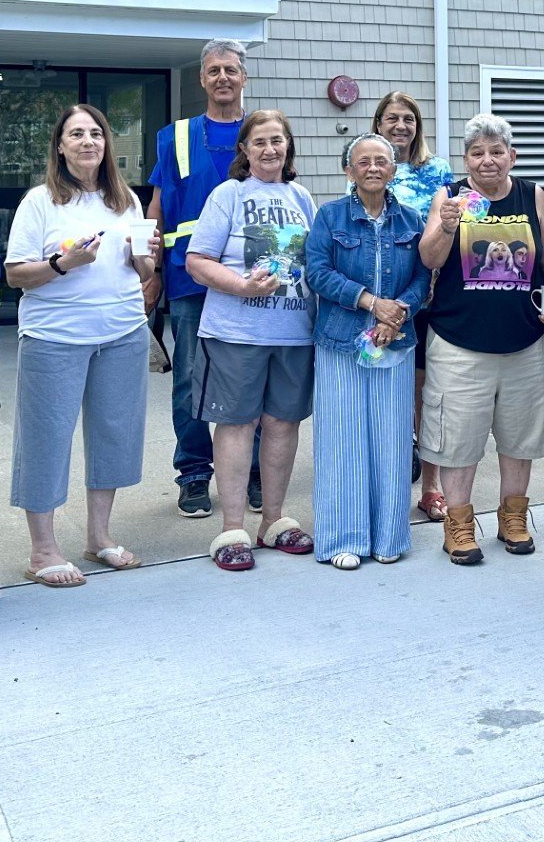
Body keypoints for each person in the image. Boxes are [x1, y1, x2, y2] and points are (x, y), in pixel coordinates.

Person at [3, 105, 159, 587]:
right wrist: (63, 263)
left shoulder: (126, 201)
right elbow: (14, 275)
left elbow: (144, 272)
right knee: (45, 440)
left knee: (114, 434)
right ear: (60, 146)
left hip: (122, 333)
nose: (88, 141)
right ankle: (43, 549)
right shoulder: (40, 202)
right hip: (55, 338)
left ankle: (99, 536)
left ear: (107, 144)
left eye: (96, 133)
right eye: (77, 134)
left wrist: (145, 260)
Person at [418, 113, 544, 564]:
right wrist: (446, 226)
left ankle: (514, 517)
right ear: (465, 159)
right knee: (458, 438)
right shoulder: (449, 196)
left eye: (496, 151)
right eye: (477, 152)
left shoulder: (532, 194)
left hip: (524, 341)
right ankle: (460, 524)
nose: (487, 160)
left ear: (512, 156)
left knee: (519, 437)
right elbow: (429, 259)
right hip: (458, 341)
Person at [186, 110, 316, 571]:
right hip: (235, 333)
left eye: (277, 140)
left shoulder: (302, 196)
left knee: (283, 424)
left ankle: (275, 521)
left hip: (294, 333)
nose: (269, 149)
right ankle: (232, 528)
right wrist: (241, 285)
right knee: (237, 425)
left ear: (288, 146)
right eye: (259, 141)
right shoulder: (229, 194)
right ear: (244, 149)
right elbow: (197, 260)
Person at [304, 134, 429, 569]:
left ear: (393, 170)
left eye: (382, 161)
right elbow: (317, 272)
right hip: (340, 340)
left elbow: (422, 277)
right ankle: (344, 538)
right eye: (363, 162)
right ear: (348, 170)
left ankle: (389, 535)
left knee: (392, 439)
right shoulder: (330, 216)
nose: (373, 168)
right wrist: (370, 302)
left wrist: (397, 313)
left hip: (394, 341)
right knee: (343, 440)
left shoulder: (413, 220)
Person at [146, 39, 255, 520]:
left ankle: (252, 473)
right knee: (192, 381)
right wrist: (149, 271)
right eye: (214, 71)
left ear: (243, 77)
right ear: (202, 79)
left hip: (256, 279)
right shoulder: (176, 136)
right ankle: (194, 474)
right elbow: (158, 207)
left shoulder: (263, 132)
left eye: (231, 69)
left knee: (252, 377)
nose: (223, 78)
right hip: (189, 278)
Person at [374, 91, 453, 521]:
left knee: (427, 390)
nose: (400, 125)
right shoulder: (370, 164)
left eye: (408, 118)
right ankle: (387, 482)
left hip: (429, 295)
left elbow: (452, 225)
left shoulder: (436, 170)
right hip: (381, 296)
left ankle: (432, 486)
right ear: (379, 123)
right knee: (389, 386)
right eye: (392, 118)